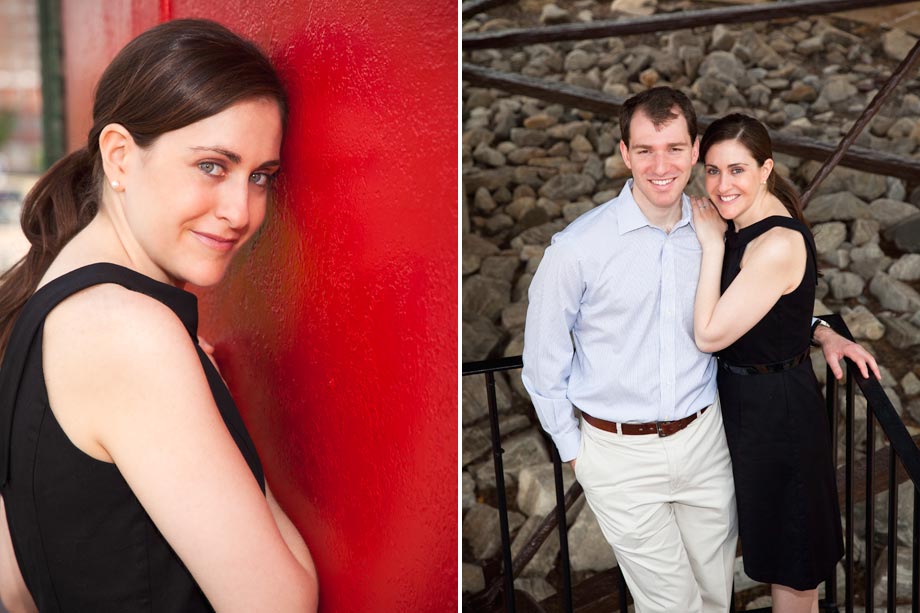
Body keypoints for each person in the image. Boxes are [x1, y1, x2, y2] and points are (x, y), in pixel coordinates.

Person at [0, 20, 318, 612]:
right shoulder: (126, 331)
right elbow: (280, 603)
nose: (240, 211)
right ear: (119, 156)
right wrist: (217, 404)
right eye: (212, 166)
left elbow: (13, 584)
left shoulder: (51, 293)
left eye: (260, 177)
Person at [521, 87, 877, 613]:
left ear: (692, 153)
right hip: (620, 455)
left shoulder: (715, 229)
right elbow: (542, 359)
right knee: (673, 605)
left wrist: (818, 327)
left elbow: (766, 304)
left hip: (709, 442)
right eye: (645, 150)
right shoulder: (578, 249)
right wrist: (574, 451)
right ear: (624, 153)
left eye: (674, 149)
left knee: (713, 596)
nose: (660, 165)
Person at [691, 113, 879, 613]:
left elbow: (709, 334)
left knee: (792, 566)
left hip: (778, 415)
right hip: (747, 404)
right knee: (772, 547)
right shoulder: (743, 221)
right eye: (711, 171)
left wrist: (710, 244)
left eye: (736, 170)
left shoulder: (773, 240)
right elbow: (778, 306)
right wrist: (820, 329)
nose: (721, 184)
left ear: (766, 168)